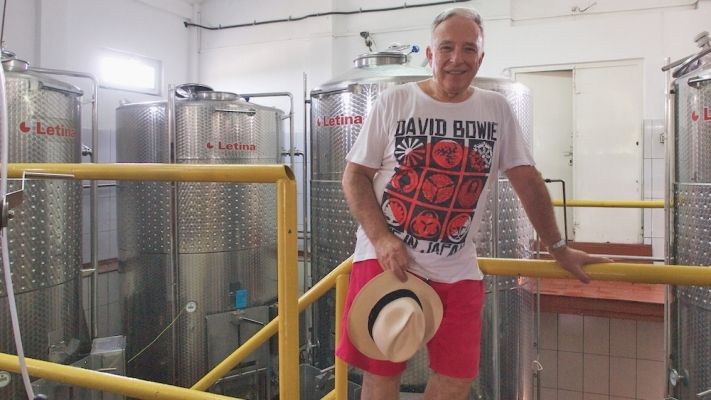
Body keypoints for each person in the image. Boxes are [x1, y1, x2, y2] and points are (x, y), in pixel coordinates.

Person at [337, 6, 611, 400]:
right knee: (381, 375)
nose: (457, 58)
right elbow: (354, 176)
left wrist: (558, 247)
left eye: (469, 49)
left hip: (456, 268)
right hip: (386, 262)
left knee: (457, 377)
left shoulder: (495, 108)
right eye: (446, 48)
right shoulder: (395, 102)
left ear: (480, 58)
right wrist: (382, 238)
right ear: (430, 55)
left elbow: (527, 180)